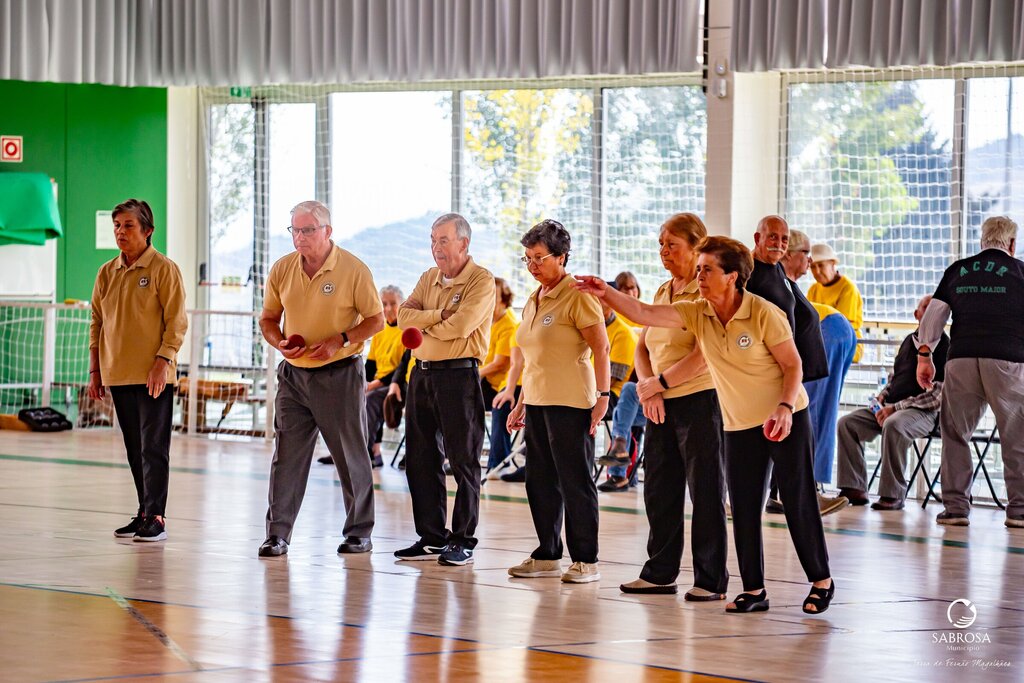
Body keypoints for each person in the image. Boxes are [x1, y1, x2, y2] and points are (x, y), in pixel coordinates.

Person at [576, 235, 835, 615]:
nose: (699, 276)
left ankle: (821, 581)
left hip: (785, 417)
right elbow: (644, 313)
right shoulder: (699, 312)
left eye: (707, 270)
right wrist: (605, 292)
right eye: (698, 269)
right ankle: (754, 590)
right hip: (739, 423)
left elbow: (792, 365)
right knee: (744, 507)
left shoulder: (763, 313)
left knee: (797, 500)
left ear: (732, 276)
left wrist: (783, 407)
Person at [610, 213, 730, 600]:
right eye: (661, 244)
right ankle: (660, 573)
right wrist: (649, 389)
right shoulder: (664, 290)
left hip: (699, 401)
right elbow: (642, 345)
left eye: (672, 244)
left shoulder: (705, 291)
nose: (663, 251)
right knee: (660, 489)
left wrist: (661, 383)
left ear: (696, 248)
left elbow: (705, 353)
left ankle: (710, 579)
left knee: (705, 492)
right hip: (660, 402)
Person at [257, 200, 384, 558]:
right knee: (286, 457)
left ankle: (359, 532)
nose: (300, 237)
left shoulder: (353, 269)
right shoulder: (282, 269)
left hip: (339, 375)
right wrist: (279, 342)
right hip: (294, 377)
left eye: (308, 230)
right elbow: (268, 319)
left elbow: (376, 320)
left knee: (350, 455)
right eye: (295, 230)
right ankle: (277, 534)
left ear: (327, 231)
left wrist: (340, 340)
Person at [506, 219, 611, 584]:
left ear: (562, 257)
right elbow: (532, 359)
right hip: (537, 401)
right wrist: (521, 402)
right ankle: (548, 554)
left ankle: (586, 559)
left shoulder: (578, 295)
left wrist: (603, 396)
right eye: (527, 258)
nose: (532, 265)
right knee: (539, 481)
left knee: (574, 481)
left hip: (571, 402)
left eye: (539, 258)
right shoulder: (533, 299)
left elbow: (602, 348)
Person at [396, 213, 495, 565]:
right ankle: (432, 537)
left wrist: (426, 322)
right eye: (432, 240)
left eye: (443, 240)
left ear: (463, 243)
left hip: (458, 376)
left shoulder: (481, 280)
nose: (435, 247)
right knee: (420, 459)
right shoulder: (428, 277)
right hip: (421, 376)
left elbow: (462, 326)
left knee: (463, 459)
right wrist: (439, 315)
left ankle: (463, 538)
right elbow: (403, 317)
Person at [89, 199, 187, 543]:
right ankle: (144, 512)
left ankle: (157, 517)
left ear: (148, 230)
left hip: (153, 375)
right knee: (134, 447)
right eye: (117, 225)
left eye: (128, 225)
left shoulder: (164, 269)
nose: (121, 232)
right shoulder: (106, 272)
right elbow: (97, 322)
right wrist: (95, 371)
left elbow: (177, 322)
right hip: (117, 373)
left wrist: (163, 362)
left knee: (153, 447)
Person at [917, 216, 1024, 528]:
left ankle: (955, 508)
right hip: (1007, 360)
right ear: (1012, 244)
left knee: (955, 433)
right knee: (1016, 436)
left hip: (961, 358)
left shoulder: (958, 270)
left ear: (982, 240)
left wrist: (924, 356)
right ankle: (1019, 510)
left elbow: (934, 316)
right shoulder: (1020, 272)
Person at [747, 217, 839, 515]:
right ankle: (796, 497)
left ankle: (790, 495)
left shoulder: (777, 273)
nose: (779, 244)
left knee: (796, 437)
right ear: (758, 238)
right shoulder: (751, 273)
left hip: (790, 371)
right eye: (772, 237)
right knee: (795, 435)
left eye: (784, 239)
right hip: (773, 372)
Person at [828, 296, 949, 511]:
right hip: (891, 407)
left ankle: (893, 494)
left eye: (935, 309)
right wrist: (882, 398)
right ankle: (854, 487)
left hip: (923, 413)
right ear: (916, 314)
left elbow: (938, 395)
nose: (930, 312)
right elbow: (895, 378)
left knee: (894, 425)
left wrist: (896, 407)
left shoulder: (946, 346)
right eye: (926, 307)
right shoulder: (908, 342)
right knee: (847, 423)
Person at [783, 230, 857, 496]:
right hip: (826, 332)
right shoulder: (798, 284)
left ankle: (810, 482)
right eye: (807, 258)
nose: (811, 266)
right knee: (811, 406)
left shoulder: (846, 288)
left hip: (831, 332)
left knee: (810, 406)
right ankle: (806, 480)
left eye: (816, 261)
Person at [317, 284, 404, 469]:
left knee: (371, 400)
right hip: (378, 384)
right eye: (384, 304)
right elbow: (370, 365)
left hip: (397, 385)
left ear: (402, 304)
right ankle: (345, 451)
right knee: (349, 397)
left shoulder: (406, 331)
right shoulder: (380, 331)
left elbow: (402, 369)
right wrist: (361, 383)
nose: (388, 308)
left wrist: (373, 385)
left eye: (393, 303)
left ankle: (362, 453)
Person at [595, 279, 639, 493]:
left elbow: (611, 379)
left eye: (600, 299)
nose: (595, 303)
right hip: (595, 391)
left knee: (577, 411)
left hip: (612, 394)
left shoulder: (623, 333)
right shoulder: (590, 327)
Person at [480, 277, 519, 471]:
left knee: (465, 396)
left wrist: (474, 374)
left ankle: (498, 463)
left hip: (498, 385)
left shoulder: (509, 324)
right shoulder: (487, 321)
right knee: (455, 397)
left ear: (504, 300)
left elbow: (499, 363)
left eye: (492, 297)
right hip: (487, 382)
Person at [808, 242, 864, 362]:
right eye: (812, 267)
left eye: (821, 265)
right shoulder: (813, 289)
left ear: (833, 264)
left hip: (848, 344)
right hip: (822, 343)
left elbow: (841, 328)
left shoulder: (848, 288)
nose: (817, 271)